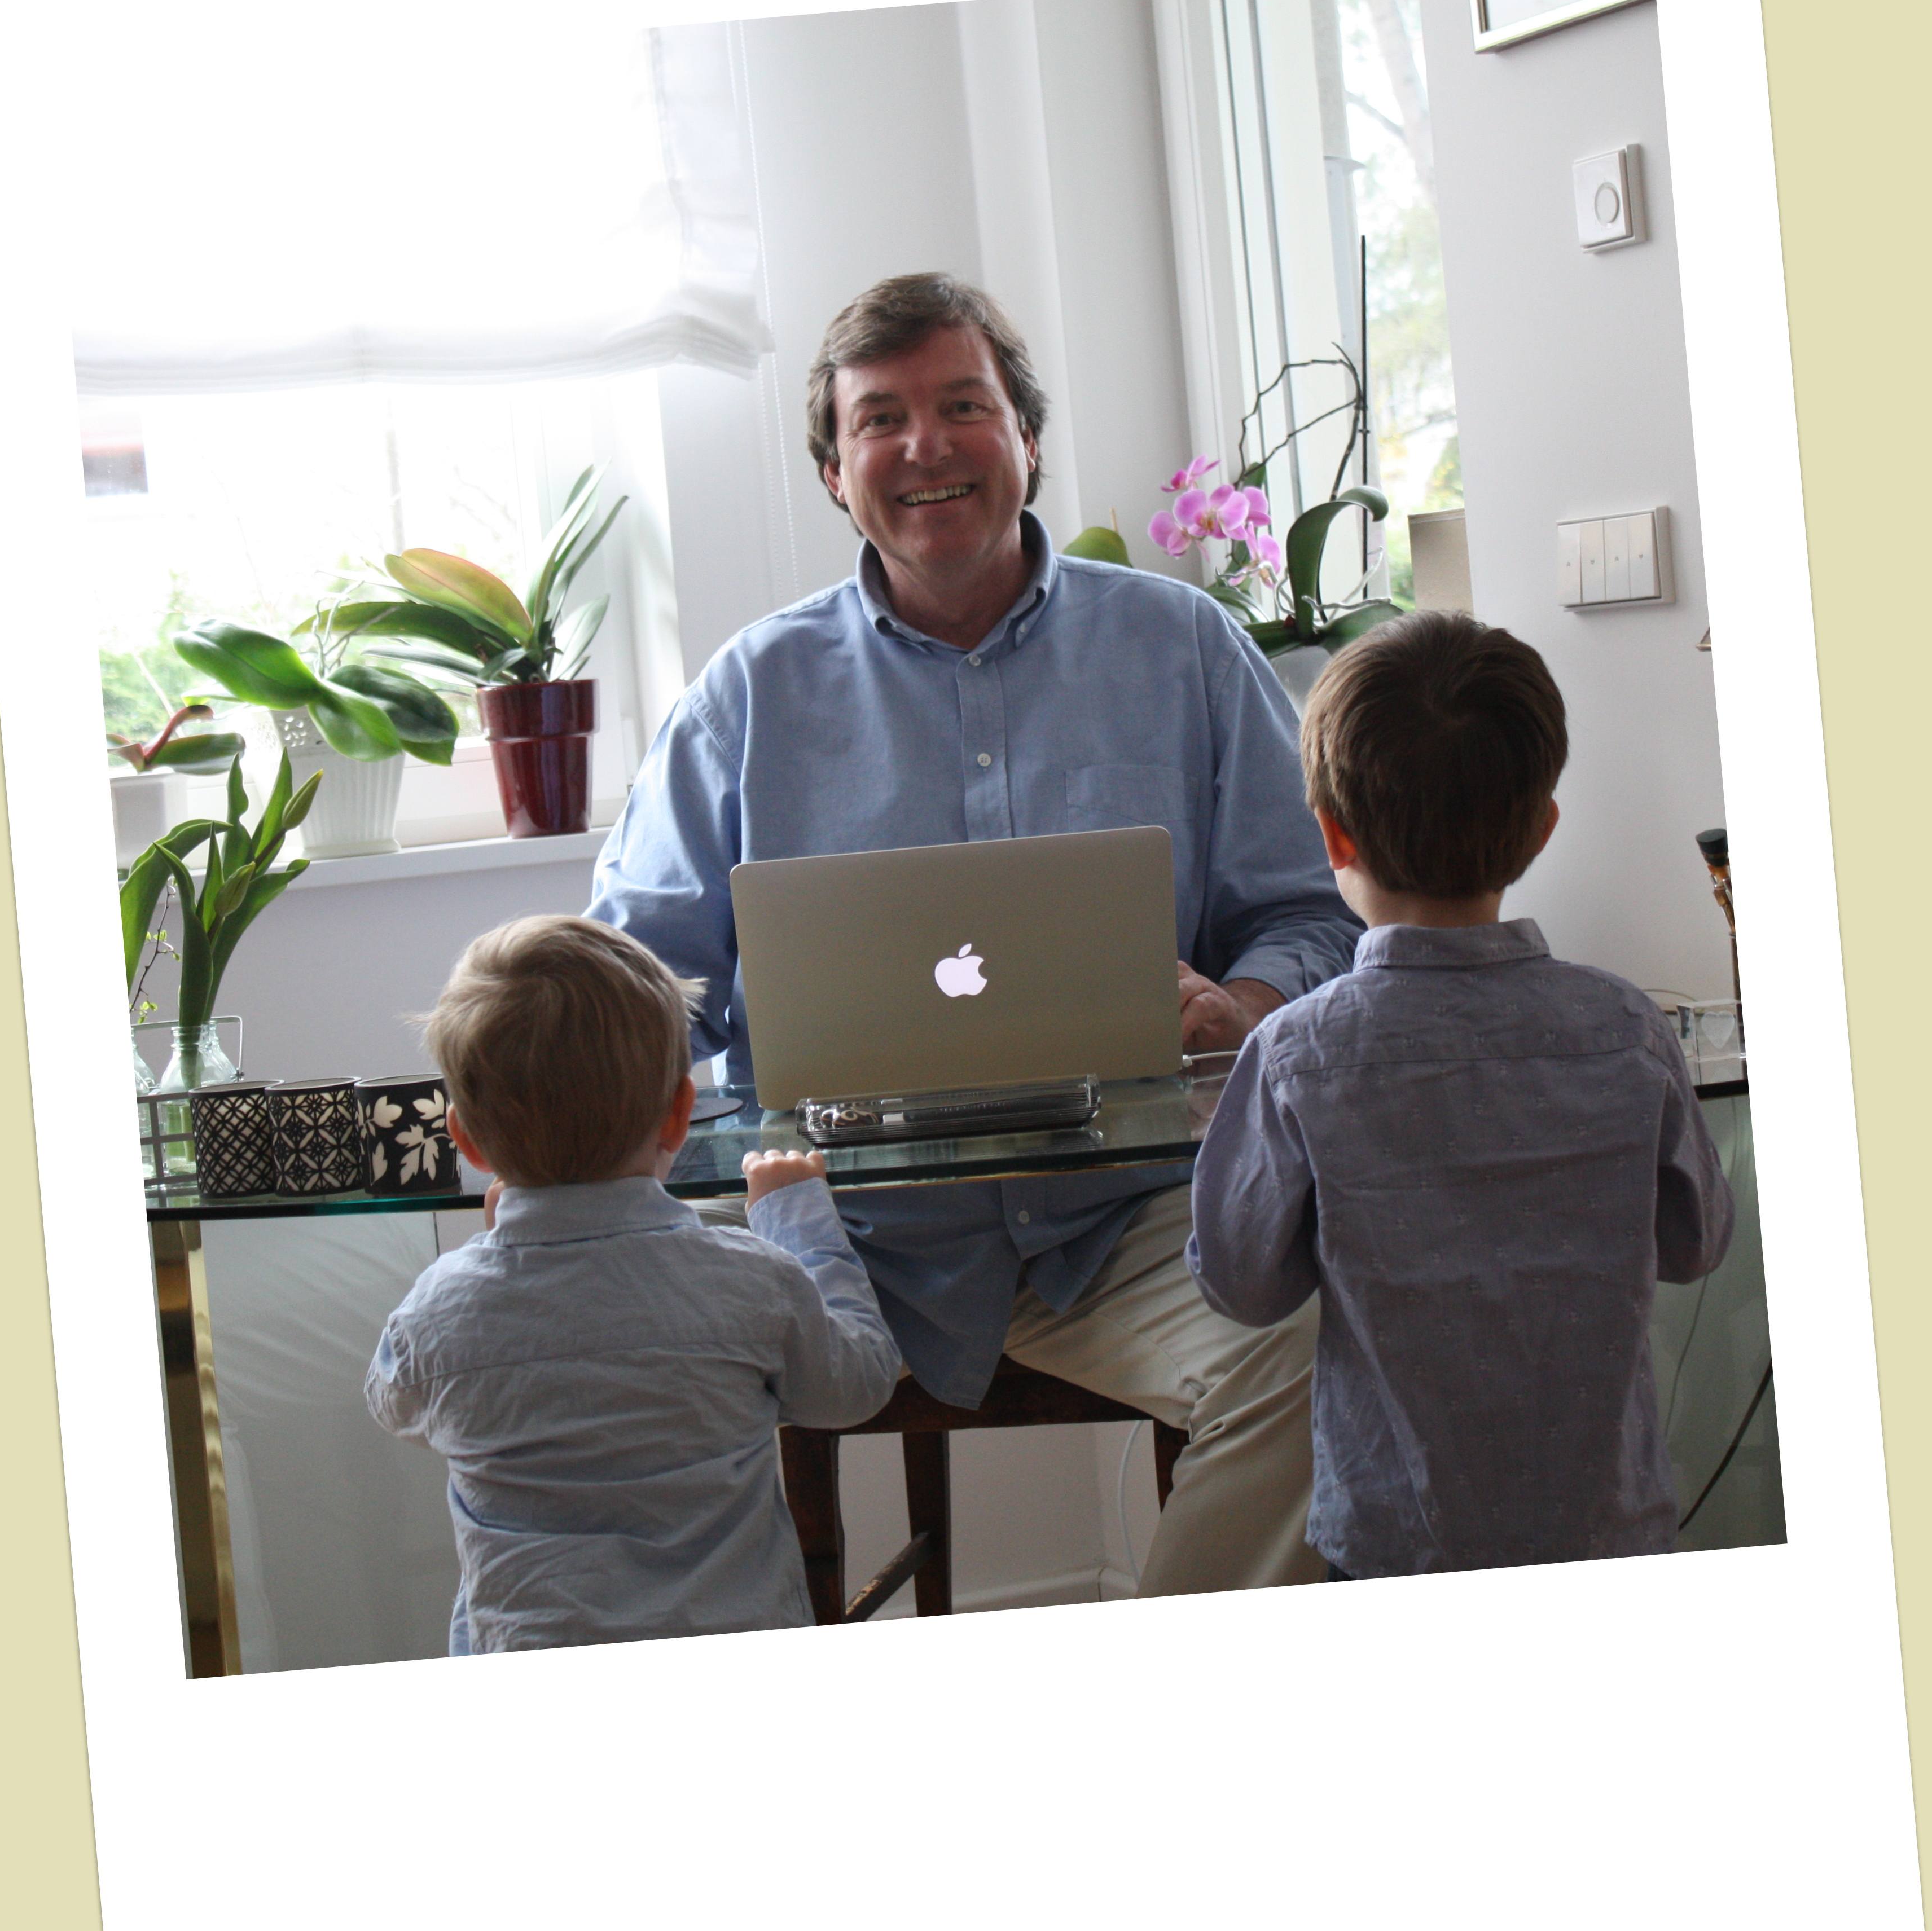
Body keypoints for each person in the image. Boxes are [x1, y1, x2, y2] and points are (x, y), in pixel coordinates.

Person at [589, 272, 1363, 1595]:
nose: (925, 446)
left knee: (1323, 1349)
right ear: (834, 472)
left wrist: (1241, 1001)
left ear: (1027, 441)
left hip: (1128, 1221)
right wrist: (583, 1119)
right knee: (589, 1365)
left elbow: (1311, 912)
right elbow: (635, 983)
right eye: (879, 420)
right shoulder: (748, 693)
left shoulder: (1182, 645)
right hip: (834, 1237)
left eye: (963, 406)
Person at [1187, 612, 1736, 1577]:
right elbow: (1697, 1244)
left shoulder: (1295, 1054)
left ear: (1332, 834)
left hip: (1399, 1535)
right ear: (1540, 829)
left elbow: (1241, 1285)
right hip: (1609, 1528)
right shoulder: (1625, 1026)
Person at [364, 915, 901, 1652]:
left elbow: (395, 1403)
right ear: (680, 1113)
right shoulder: (750, 1280)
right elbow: (856, 1386)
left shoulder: (439, 1311)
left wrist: (491, 1251)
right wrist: (798, 1218)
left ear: (466, 1139)